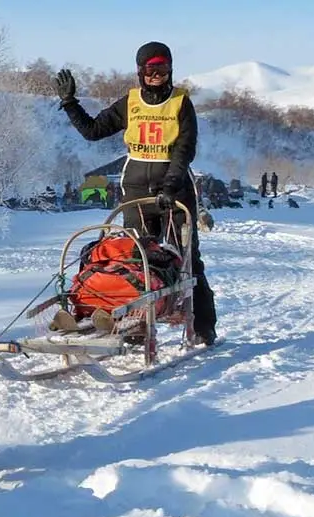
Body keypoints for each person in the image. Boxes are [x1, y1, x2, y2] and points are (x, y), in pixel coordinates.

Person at [52, 41, 217, 346]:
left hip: (176, 190)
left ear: (170, 70)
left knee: (188, 260)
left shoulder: (182, 103)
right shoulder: (130, 103)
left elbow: (184, 150)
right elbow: (93, 130)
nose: (157, 75)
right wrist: (71, 103)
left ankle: (204, 327)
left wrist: (170, 185)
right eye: (151, 69)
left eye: (163, 69)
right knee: (135, 260)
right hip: (136, 190)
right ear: (140, 71)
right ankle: (136, 326)